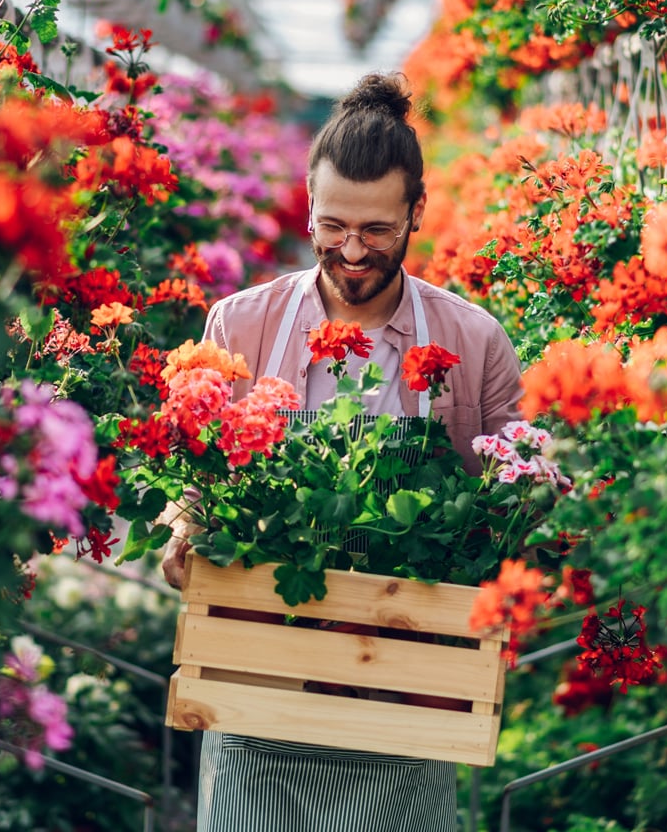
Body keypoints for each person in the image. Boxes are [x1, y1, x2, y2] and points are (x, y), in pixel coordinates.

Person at [161, 71, 522, 832]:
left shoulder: (473, 340)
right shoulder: (240, 323)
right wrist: (184, 525)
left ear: (417, 211)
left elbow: (509, 495)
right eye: (333, 226)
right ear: (309, 203)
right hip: (259, 682)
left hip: (408, 690)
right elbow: (201, 476)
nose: (352, 251)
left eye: (378, 231)